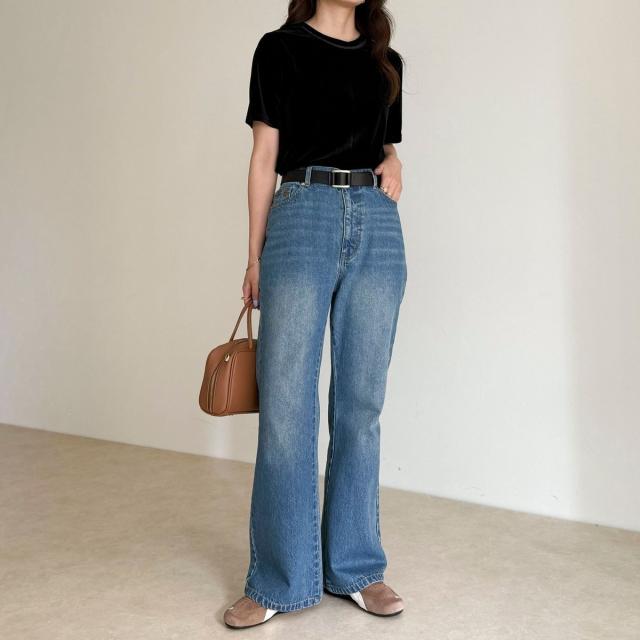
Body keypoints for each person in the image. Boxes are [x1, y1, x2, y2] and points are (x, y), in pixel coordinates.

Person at [224, 0, 407, 628]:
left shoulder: (386, 60)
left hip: (376, 224)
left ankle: (356, 567)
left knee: (362, 403)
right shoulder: (280, 49)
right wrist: (254, 256)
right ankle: (279, 578)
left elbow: (382, 145)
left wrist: (393, 158)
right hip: (301, 215)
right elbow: (263, 157)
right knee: (285, 405)